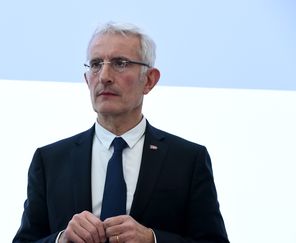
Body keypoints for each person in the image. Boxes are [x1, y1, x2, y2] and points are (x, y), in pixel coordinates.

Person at [13, 22, 229, 243]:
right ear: (87, 80)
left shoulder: (188, 160)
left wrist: (153, 239)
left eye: (120, 63)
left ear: (149, 80)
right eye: (96, 64)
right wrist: (61, 239)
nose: (104, 76)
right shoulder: (50, 161)